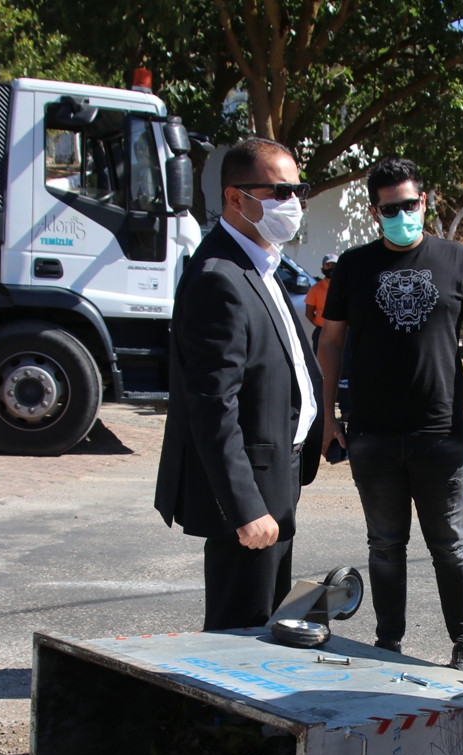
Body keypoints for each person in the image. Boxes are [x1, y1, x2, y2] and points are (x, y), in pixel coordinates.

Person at [318, 158, 463, 672]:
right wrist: (330, 414)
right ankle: (388, 643)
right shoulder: (354, 265)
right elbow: (330, 343)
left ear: (426, 201)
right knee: (385, 545)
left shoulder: (456, 258)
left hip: (439, 432)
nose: (403, 214)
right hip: (372, 433)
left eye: (411, 204)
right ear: (376, 212)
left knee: (449, 544)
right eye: (390, 207)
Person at [155, 138, 323, 630]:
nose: (291, 204)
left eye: (298, 190)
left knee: (267, 620)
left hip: (279, 471)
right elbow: (211, 405)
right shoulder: (218, 277)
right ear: (235, 198)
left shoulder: (261, 263)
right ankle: (220, 709)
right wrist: (245, 508)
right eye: (279, 191)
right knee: (240, 629)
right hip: (250, 484)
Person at [304, 252, 337, 347]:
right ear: (322, 269)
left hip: (343, 333)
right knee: (320, 362)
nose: (331, 268)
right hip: (322, 333)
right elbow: (309, 313)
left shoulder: (346, 287)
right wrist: (321, 326)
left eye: (334, 265)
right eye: (328, 265)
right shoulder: (315, 289)